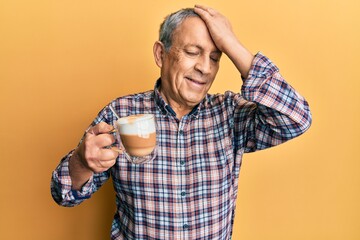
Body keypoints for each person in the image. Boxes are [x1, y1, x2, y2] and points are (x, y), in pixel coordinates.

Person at [51, 5, 312, 239]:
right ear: (161, 55)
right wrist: (82, 162)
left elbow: (296, 118)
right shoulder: (121, 113)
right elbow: (63, 193)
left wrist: (232, 44)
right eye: (192, 52)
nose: (205, 68)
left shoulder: (230, 114)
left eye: (214, 57)